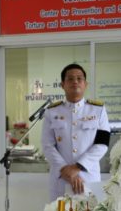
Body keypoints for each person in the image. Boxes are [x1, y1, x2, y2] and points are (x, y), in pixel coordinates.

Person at [40, 64, 110, 200]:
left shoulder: (98, 110)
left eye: (79, 78)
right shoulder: (52, 112)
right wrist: (66, 170)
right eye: (70, 79)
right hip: (61, 178)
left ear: (85, 84)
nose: (75, 82)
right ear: (62, 84)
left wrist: (77, 168)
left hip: (88, 179)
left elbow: (102, 144)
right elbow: (47, 145)